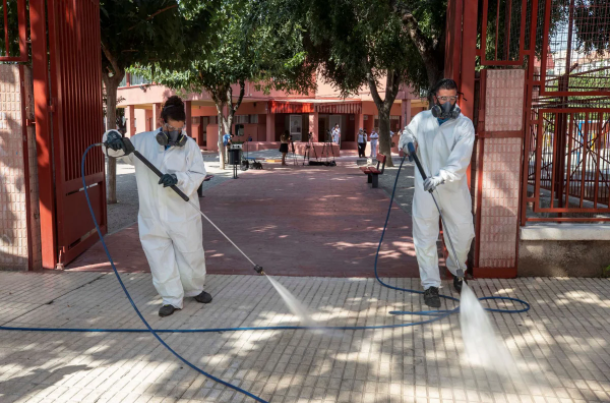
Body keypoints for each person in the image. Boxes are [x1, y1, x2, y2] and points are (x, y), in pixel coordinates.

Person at [102, 96, 212, 317]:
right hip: (152, 214)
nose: (175, 134)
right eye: (171, 128)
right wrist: (111, 138)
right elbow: (116, 151)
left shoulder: (189, 146)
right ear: (161, 122)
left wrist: (179, 178)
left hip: (183, 213)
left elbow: (198, 173)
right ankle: (171, 297)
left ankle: (194, 288)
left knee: (191, 253)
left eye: (179, 129)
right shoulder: (142, 142)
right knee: (159, 256)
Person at [398, 78, 475, 308]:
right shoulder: (422, 119)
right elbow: (407, 134)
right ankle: (430, 285)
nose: (448, 102)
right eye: (443, 98)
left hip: (453, 189)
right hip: (425, 189)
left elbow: (460, 160)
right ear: (435, 98)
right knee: (425, 236)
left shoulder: (464, 125)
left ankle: (458, 273)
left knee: (463, 234)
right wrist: (407, 142)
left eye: (452, 98)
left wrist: (440, 177)